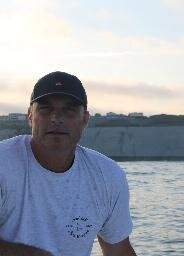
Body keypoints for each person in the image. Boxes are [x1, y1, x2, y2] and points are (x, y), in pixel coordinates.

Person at [0, 71, 137, 256]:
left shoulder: (108, 176)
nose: (56, 117)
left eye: (69, 110)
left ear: (85, 119)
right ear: (30, 116)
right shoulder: (4, 164)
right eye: (46, 109)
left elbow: (118, 250)